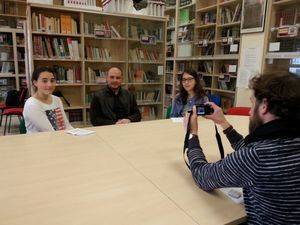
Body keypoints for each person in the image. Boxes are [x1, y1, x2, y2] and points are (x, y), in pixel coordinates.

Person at [186, 73, 300, 224]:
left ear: (264, 106)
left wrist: (192, 135)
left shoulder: (256, 157)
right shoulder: (287, 140)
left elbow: (202, 175)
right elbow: (252, 149)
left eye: (253, 104)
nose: (250, 112)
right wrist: (224, 123)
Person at [23, 67, 73, 133]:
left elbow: (67, 125)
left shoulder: (57, 99)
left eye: (52, 81)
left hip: (59, 138)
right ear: (35, 83)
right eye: (44, 81)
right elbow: (49, 131)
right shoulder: (32, 104)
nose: (49, 85)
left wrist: (77, 134)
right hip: (41, 142)